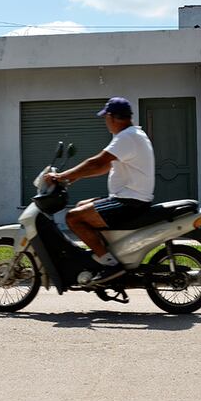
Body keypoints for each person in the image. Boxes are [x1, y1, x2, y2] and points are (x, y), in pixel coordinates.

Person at [44, 96, 155, 283]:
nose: (105, 122)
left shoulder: (126, 137)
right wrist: (74, 177)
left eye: (105, 118)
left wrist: (62, 176)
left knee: (73, 217)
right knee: (81, 205)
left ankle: (110, 264)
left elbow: (96, 162)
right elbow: (105, 166)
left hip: (128, 203)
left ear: (112, 117)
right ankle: (103, 255)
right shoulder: (132, 135)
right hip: (128, 199)